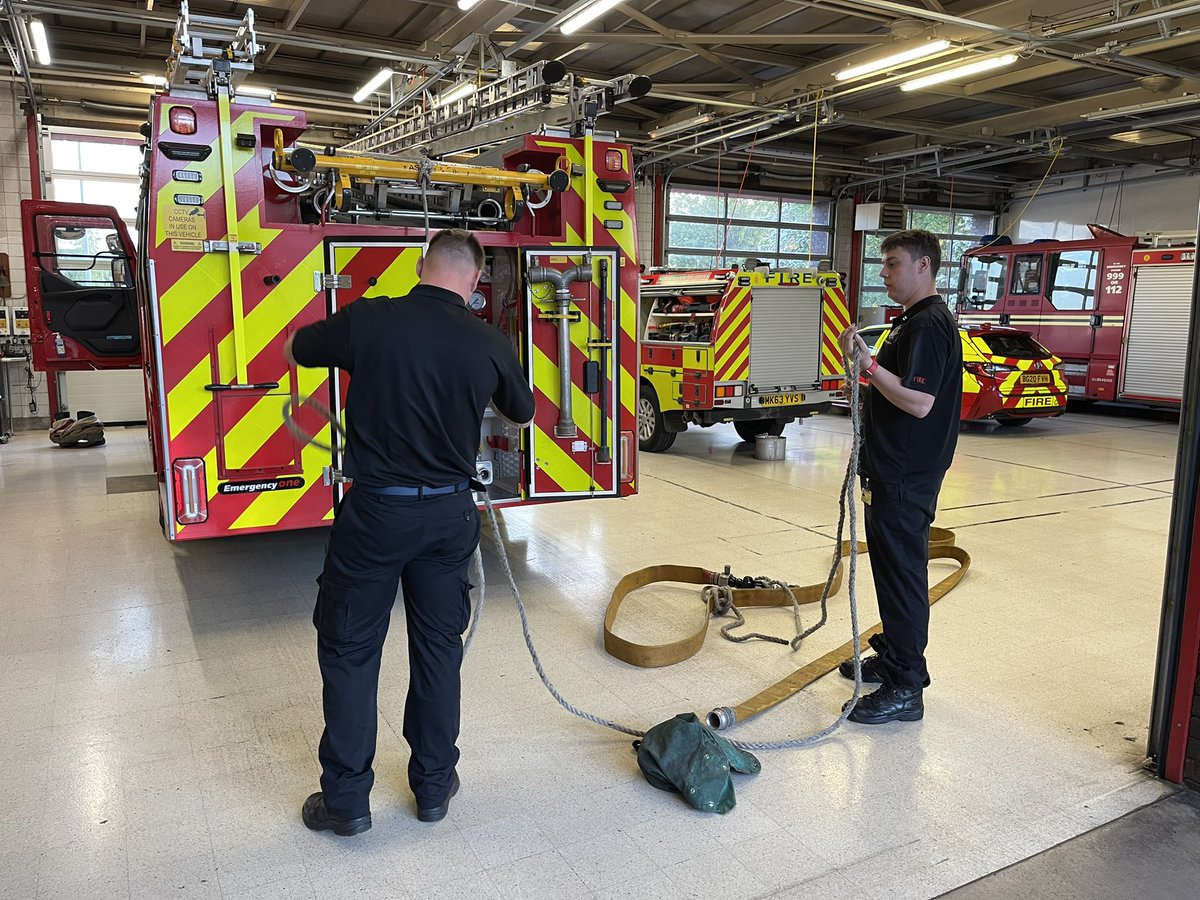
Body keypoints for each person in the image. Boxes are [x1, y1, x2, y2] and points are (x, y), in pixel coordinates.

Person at [284, 228, 535, 835]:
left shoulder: (371, 320)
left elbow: (302, 348)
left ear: (421, 267)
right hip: (449, 517)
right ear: (474, 282)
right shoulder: (488, 339)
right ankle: (432, 788)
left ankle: (346, 802)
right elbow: (522, 411)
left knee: (349, 650)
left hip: (375, 513)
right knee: (438, 650)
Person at [837, 229, 962, 725]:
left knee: (904, 577)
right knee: (891, 572)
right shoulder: (911, 321)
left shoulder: (929, 325)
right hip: (893, 469)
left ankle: (906, 685)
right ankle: (893, 658)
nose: (883, 274)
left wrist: (867, 367)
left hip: (906, 475)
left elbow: (920, 400)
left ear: (923, 266)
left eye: (891, 264)